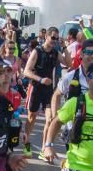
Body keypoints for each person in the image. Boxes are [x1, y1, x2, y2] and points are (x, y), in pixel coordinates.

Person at [22, 28, 67, 157]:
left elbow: (68, 63)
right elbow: (26, 71)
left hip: (49, 90)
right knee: (32, 118)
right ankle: (27, 145)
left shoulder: (55, 52)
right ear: (46, 37)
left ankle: (44, 149)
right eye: (52, 38)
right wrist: (40, 80)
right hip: (36, 88)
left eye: (56, 39)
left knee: (50, 119)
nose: (54, 41)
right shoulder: (37, 51)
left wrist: (64, 48)